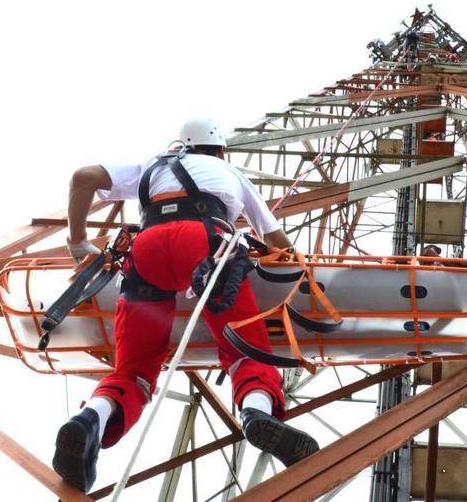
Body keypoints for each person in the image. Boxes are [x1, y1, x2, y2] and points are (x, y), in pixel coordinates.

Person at [53, 118, 319, 493]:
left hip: (146, 251)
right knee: (248, 352)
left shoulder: (153, 165)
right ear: (220, 150)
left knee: (132, 372)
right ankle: (256, 412)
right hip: (207, 246)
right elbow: (278, 243)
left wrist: (78, 240)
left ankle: (89, 420)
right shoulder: (229, 171)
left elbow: (83, 177)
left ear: (181, 146)